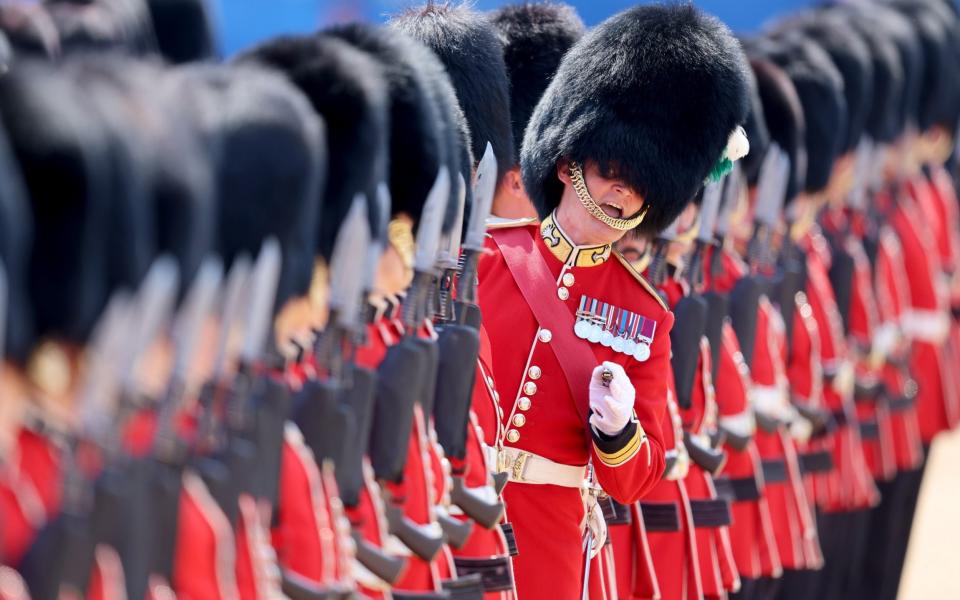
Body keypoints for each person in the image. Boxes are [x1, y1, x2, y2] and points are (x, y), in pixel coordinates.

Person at [477, 5, 750, 598]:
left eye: (640, 181)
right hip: (471, 527)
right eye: (609, 170)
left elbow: (636, 480)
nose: (621, 189)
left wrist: (618, 429)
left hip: (555, 541)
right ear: (572, 159)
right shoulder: (489, 259)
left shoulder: (646, 313)